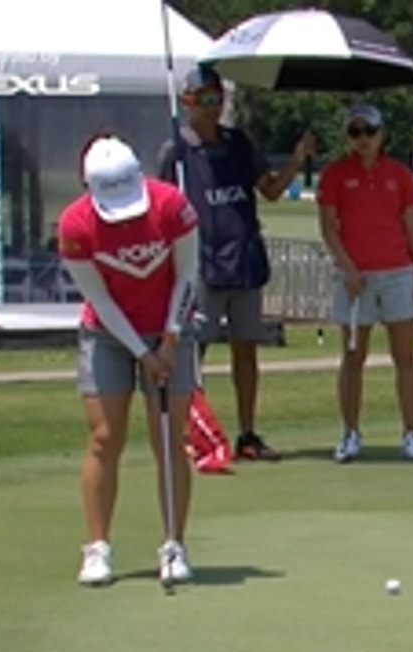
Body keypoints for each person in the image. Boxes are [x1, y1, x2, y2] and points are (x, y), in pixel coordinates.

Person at [58, 134, 200, 586]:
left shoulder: (171, 207)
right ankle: (97, 549)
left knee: (168, 437)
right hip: (108, 332)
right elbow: (98, 296)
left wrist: (170, 341)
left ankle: (174, 544)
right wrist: (143, 353)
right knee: (104, 436)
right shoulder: (75, 226)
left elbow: (188, 276)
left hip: (170, 325)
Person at [158, 67, 313, 461]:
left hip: (243, 259)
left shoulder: (239, 144)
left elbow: (272, 190)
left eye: (218, 100)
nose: (213, 108)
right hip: (201, 266)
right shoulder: (176, 152)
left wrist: (297, 160)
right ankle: (192, 434)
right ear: (187, 102)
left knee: (247, 350)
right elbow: (161, 211)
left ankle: (247, 434)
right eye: (204, 100)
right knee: (194, 354)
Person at [317, 103, 413, 463]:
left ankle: (411, 434)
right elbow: (329, 228)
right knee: (352, 357)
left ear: (381, 134)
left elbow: (411, 223)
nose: (362, 139)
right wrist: (348, 267)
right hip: (354, 276)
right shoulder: (335, 174)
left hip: (397, 271)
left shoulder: (399, 175)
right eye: (355, 132)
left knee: (405, 357)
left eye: (369, 131)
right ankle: (350, 433)